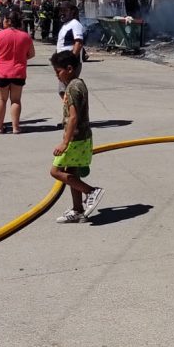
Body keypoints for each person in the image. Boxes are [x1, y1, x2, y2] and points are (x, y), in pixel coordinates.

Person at [49, 50, 103, 223]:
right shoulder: (79, 83)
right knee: (71, 172)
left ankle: (91, 191)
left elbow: (73, 117)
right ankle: (78, 209)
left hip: (75, 139)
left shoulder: (72, 88)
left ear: (69, 68)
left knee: (56, 171)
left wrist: (65, 142)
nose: (57, 75)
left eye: (58, 71)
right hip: (83, 136)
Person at [0, 10, 36, 134]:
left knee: (1, 99)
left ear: (8, 21)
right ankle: (16, 127)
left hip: (2, 71)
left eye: (3, 20)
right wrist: (21, 59)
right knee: (16, 100)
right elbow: (31, 54)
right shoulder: (26, 36)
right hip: (19, 72)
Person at [55, 2, 85, 96]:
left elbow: (78, 43)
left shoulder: (75, 24)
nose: (62, 13)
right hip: (62, 62)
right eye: (61, 11)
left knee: (68, 91)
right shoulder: (65, 25)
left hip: (69, 63)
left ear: (72, 12)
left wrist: (70, 61)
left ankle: (73, 110)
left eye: (65, 10)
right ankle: (69, 110)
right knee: (64, 91)